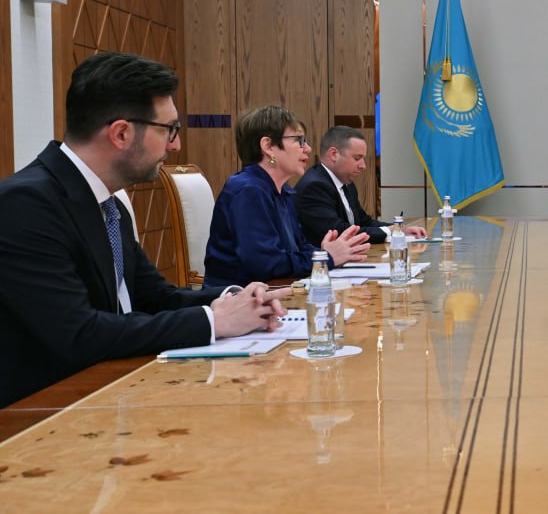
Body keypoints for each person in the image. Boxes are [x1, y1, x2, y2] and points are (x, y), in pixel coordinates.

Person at [0, 52, 287, 407]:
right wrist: (213, 321)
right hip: (46, 411)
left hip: (116, 388)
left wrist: (236, 299)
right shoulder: (26, 204)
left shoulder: (109, 204)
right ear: (121, 133)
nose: (175, 144)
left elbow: (155, 297)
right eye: (169, 129)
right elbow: (78, 334)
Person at [204, 106, 371, 287]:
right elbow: (266, 264)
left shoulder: (283, 190)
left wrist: (325, 253)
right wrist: (326, 258)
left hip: (274, 290)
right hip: (239, 298)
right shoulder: (248, 190)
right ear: (268, 146)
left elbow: (299, 247)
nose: (308, 148)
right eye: (299, 140)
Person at [295, 126, 427, 245]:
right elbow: (340, 232)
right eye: (357, 158)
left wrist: (399, 229)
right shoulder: (314, 187)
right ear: (334, 154)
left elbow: (364, 222)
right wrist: (389, 231)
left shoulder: (346, 183)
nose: (363, 166)